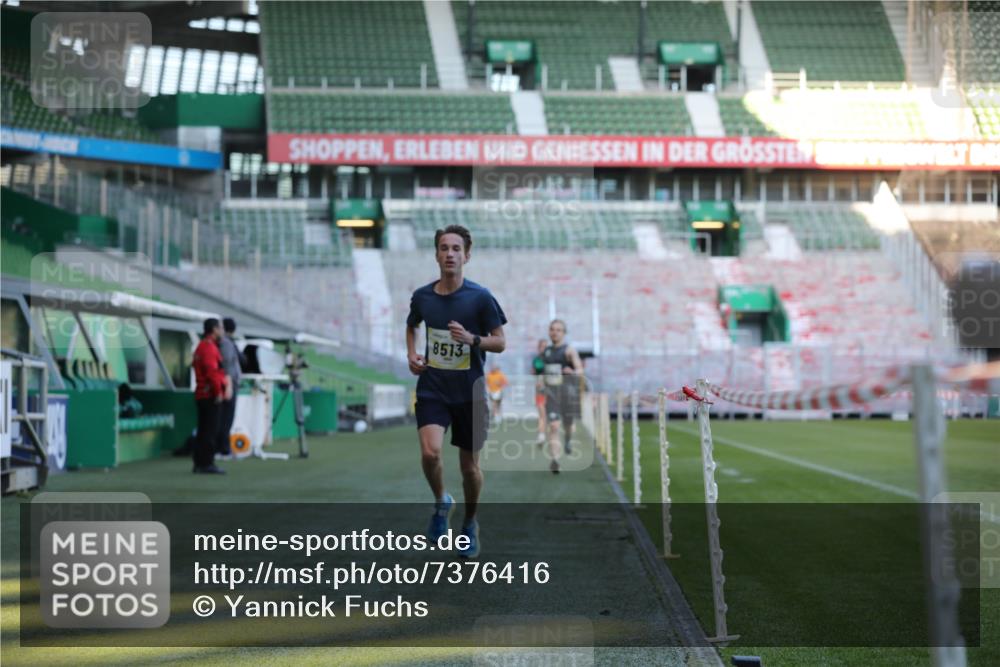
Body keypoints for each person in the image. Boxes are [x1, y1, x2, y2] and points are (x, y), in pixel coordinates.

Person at [406, 224, 507, 559]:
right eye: (444, 248)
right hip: (433, 387)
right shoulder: (423, 296)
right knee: (431, 453)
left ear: (467, 255)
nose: (450, 254)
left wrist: (472, 339)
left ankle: (470, 523)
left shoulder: (480, 297)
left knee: (469, 468)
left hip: (470, 393)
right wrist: (412, 355)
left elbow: (501, 341)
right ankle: (441, 502)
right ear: (436, 254)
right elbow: (412, 324)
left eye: (456, 249)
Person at [541, 319, 583, 474]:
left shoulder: (569, 350)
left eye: (558, 330)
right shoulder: (546, 351)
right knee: (553, 426)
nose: (555, 332)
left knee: (568, 426)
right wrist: (540, 381)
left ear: (564, 333)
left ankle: (568, 440)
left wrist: (573, 372)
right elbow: (543, 372)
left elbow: (580, 370)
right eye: (552, 329)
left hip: (568, 395)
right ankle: (555, 460)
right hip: (552, 395)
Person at [192, 318, 231, 475]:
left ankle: (200, 463)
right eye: (220, 328)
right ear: (214, 329)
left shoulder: (203, 346)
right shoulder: (208, 348)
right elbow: (212, 373)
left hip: (203, 394)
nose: (222, 331)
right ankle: (206, 463)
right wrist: (218, 393)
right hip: (209, 395)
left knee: (203, 430)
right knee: (210, 431)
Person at [215, 317, 245, 459]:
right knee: (226, 418)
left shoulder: (225, 343)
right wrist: (229, 385)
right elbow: (228, 365)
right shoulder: (226, 343)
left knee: (225, 418)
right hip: (228, 385)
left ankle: (222, 448)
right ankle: (223, 449)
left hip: (228, 384)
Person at [531, 339, 547, 445]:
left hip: (553, 391)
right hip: (540, 390)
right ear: (539, 348)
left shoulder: (553, 359)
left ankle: (548, 434)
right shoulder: (537, 359)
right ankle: (541, 435)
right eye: (542, 347)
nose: (544, 349)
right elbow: (534, 371)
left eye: (546, 347)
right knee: (542, 413)